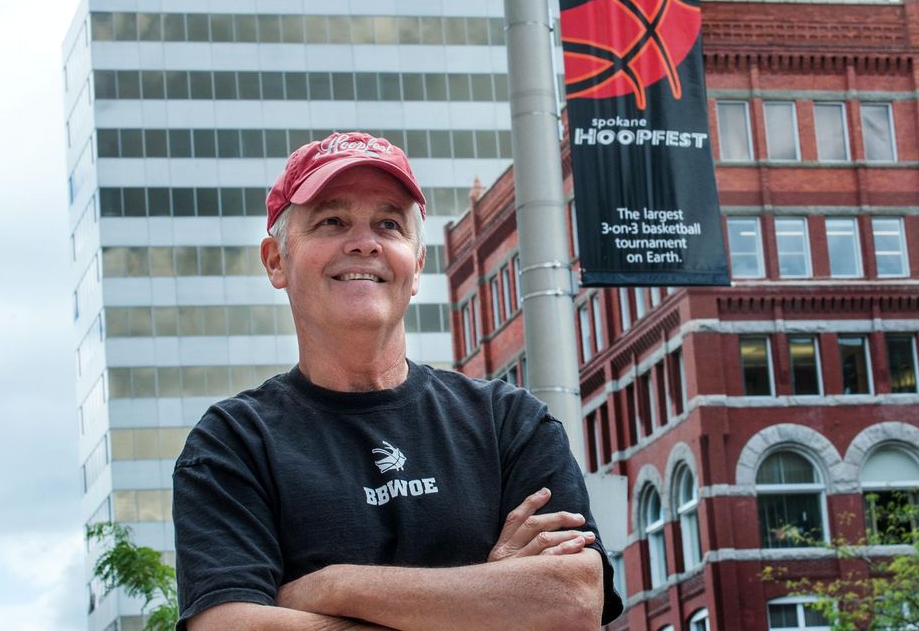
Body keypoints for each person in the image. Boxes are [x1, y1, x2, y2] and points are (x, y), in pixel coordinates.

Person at [172, 132, 623, 630]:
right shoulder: (233, 442)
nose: (364, 241)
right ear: (276, 261)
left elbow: (574, 601)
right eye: (332, 221)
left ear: (418, 263)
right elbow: (228, 627)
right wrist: (487, 605)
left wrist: (330, 586)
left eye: (389, 224)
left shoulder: (508, 422)